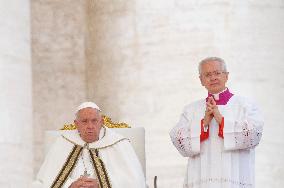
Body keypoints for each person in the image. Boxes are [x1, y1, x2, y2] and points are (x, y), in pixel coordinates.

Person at [170, 57, 264, 188]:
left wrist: (221, 120)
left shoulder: (245, 105)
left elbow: (254, 135)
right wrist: (204, 123)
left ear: (226, 76)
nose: (213, 78)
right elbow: (179, 140)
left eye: (217, 73)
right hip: (201, 179)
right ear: (201, 80)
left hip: (233, 178)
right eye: (207, 75)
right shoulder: (190, 110)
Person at [32, 102, 146, 188]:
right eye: (85, 121)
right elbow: (45, 180)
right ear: (76, 124)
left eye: (94, 120)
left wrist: (101, 184)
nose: (90, 126)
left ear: (101, 122)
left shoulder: (119, 144)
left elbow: (134, 182)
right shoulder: (63, 142)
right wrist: (70, 185)